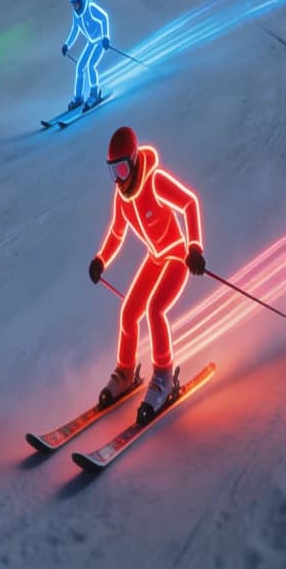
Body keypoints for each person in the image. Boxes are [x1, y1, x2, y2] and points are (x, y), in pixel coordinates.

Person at [89, 127, 206, 425]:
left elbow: (189, 203)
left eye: (123, 168)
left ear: (135, 159)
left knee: (155, 309)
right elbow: (117, 232)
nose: (119, 177)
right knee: (129, 312)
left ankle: (163, 376)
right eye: (113, 170)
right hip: (156, 257)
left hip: (177, 255)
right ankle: (125, 372)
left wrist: (194, 247)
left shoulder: (154, 182)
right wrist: (101, 259)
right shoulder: (122, 197)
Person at [61, 0, 110, 111]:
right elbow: (75, 30)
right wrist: (67, 44)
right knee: (80, 66)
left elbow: (104, 18)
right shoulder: (76, 15)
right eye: (73, 3)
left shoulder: (90, 7)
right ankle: (78, 98)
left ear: (82, 0)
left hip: (99, 41)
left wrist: (106, 37)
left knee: (91, 65)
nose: (75, 6)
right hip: (91, 42)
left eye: (77, 2)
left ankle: (94, 94)